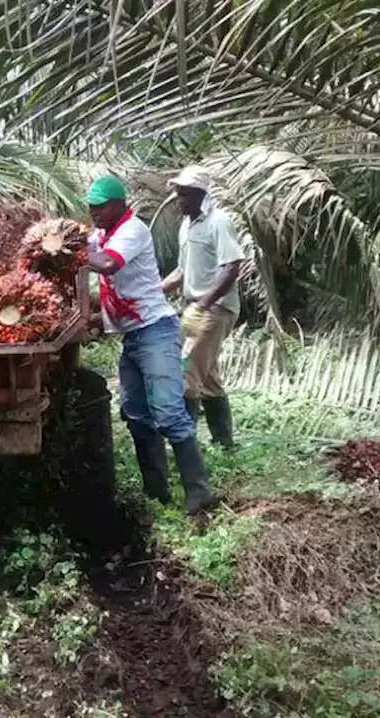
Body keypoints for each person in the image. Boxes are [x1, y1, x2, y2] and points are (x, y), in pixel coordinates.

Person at [83, 175, 218, 515]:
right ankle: (156, 493)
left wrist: (70, 246)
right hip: (133, 336)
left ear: (118, 205)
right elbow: (93, 254)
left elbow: (107, 264)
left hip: (155, 330)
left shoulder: (133, 231)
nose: (94, 214)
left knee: (169, 413)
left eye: (100, 208)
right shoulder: (102, 235)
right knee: (136, 414)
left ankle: (200, 492)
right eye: (91, 208)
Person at [161, 167, 244, 450]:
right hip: (197, 307)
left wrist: (204, 302)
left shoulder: (218, 222)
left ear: (200, 194)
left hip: (214, 308)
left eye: (184, 194)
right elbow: (183, 271)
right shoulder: (187, 225)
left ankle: (184, 447)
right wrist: (155, 291)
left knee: (186, 371)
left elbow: (232, 266)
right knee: (208, 378)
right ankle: (225, 444)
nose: (178, 199)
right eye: (177, 193)